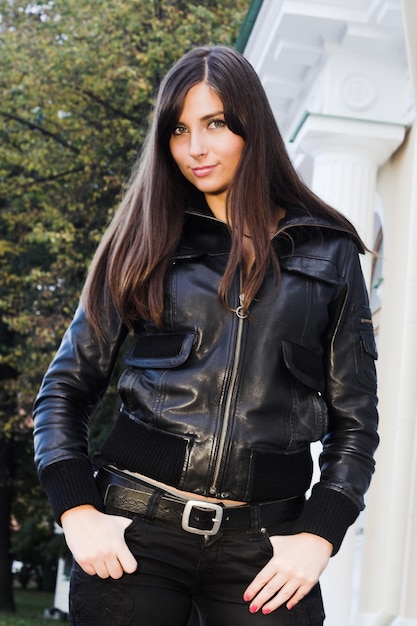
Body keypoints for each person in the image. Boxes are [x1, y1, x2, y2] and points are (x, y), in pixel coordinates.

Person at [33, 45, 379, 626]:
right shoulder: (141, 241)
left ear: (252, 128)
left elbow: (356, 420)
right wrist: (77, 511)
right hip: (136, 536)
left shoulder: (330, 252)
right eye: (178, 129)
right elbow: (64, 388)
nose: (195, 147)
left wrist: (320, 534)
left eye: (215, 124)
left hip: (266, 546)